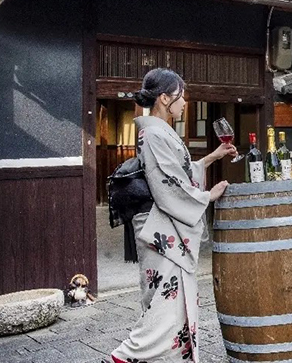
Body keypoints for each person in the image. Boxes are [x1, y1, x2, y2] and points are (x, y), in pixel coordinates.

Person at [111, 68, 236, 363]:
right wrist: (207, 196)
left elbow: (176, 173)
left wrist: (212, 157)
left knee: (174, 306)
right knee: (163, 307)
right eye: (182, 97)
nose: (184, 104)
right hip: (161, 231)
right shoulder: (153, 133)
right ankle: (123, 357)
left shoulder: (157, 132)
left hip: (163, 228)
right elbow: (168, 186)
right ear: (165, 98)